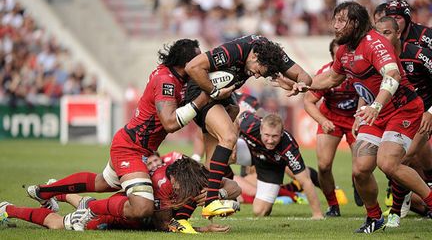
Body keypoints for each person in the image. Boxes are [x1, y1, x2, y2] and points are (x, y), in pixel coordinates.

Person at [24, 39, 211, 229]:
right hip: (131, 148)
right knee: (142, 207)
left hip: (135, 145)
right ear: (186, 63)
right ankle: (90, 209)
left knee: (102, 183)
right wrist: (204, 98)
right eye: (198, 58)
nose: (202, 62)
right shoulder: (166, 81)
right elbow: (170, 123)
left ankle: (43, 191)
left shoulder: (174, 77)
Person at [309, 1, 432, 233]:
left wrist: (375, 105)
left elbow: (392, 75)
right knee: (360, 169)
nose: (335, 26)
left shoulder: (375, 44)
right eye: (334, 19)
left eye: (340, 21)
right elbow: (329, 79)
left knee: (390, 164)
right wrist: (300, 83)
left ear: (355, 23)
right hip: (376, 113)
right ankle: (374, 218)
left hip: (402, 109)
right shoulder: (344, 51)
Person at [184, 34, 312, 218]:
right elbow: (192, 67)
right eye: (260, 71)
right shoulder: (234, 51)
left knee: (211, 167)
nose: (258, 76)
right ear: (254, 57)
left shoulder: (271, 53)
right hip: (201, 92)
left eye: (264, 74)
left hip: (224, 98)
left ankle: (183, 211)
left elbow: (305, 77)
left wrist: (298, 85)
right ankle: (211, 202)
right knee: (228, 137)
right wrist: (214, 91)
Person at [1, 156, 241, 233]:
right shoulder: (161, 186)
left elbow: (235, 187)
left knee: (89, 202)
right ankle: (7, 208)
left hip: (121, 205)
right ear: (174, 180)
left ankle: (58, 192)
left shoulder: (192, 176)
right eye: (182, 189)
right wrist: (202, 230)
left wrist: (217, 192)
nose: (184, 193)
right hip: (115, 216)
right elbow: (165, 225)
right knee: (59, 225)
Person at [375, 16, 432, 228]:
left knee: (402, 160)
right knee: (402, 162)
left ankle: (396, 212)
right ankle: (399, 209)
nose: (382, 38)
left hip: (424, 113)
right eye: (378, 34)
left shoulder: (418, 54)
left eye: (387, 33)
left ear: (399, 33)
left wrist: (431, 112)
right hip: (406, 115)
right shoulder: (377, 59)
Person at [304, 39, 359, 216]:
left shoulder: (361, 71)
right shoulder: (325, 74)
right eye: (338, 56)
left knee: (362, 168)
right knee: (324, 165)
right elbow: (308, 101)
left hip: (356, 118)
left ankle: (358, 182)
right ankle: (333, 205)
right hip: (331, 117)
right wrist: (322, 121)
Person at [234, 111, 323, 219]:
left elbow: (306, 181)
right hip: (251, 152)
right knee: (225, 150)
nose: (270, 140)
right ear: (261, 130)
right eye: (267, 135)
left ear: (281, 133)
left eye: (274, 136)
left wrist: (317, 214)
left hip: (271, 165)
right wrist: (233, 143)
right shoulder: (250, 124)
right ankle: (212, 194)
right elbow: (238, 120)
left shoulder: (288, 147)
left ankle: (309, 176)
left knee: (259, 211)